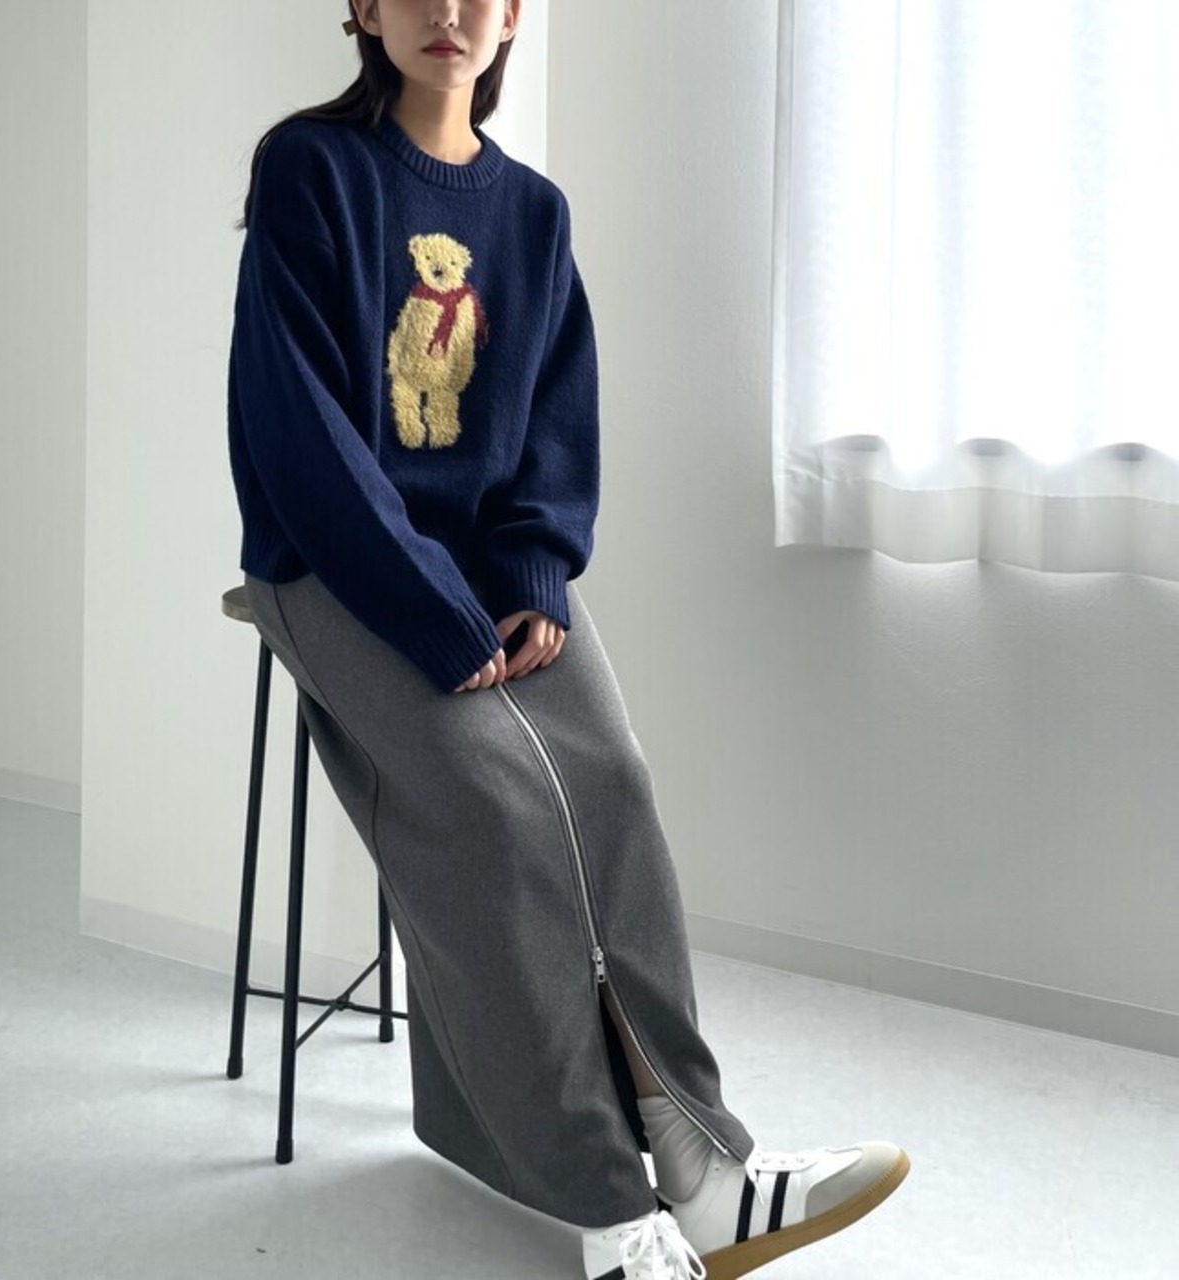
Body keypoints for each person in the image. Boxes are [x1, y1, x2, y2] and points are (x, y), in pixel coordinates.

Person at [225, 2, 910, 1276]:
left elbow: (554, 415)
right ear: (361, 7)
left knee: (613, 784)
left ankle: (701, 1163)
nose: (445, 13)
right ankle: (607, 1204)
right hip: (335, 565)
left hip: (489, 570)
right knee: (495, 812)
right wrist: (427, 607)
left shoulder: (531, 214)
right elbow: (295, 427)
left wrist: (536, 566)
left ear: (510, 17)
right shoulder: (311, 168)